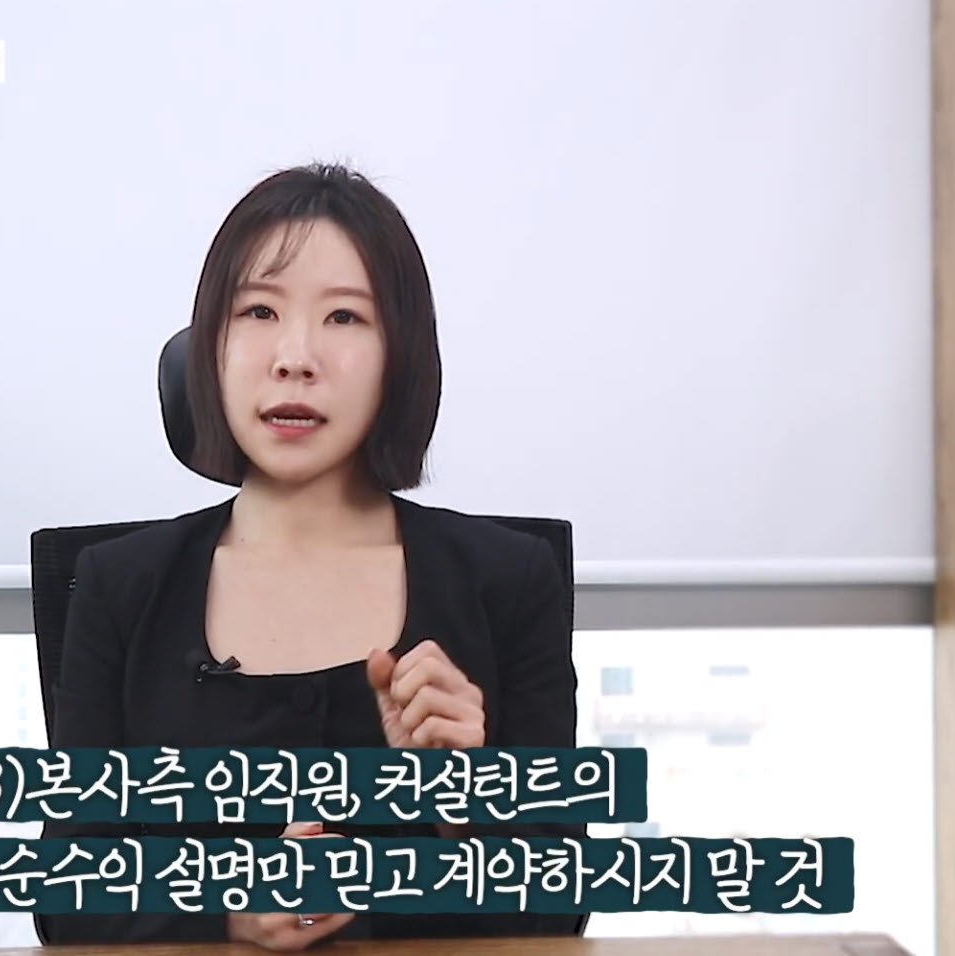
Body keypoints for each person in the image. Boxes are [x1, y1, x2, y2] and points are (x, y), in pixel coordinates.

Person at [34, 162, 582, 950]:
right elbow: (64, 900)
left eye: (344, 317)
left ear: (401, 358)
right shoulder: (119, 585)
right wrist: (225, 910)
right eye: (258, 310)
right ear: (209, 347)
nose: (295, 357)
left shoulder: (508, 581)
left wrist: (466, 806)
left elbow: (561, 909)